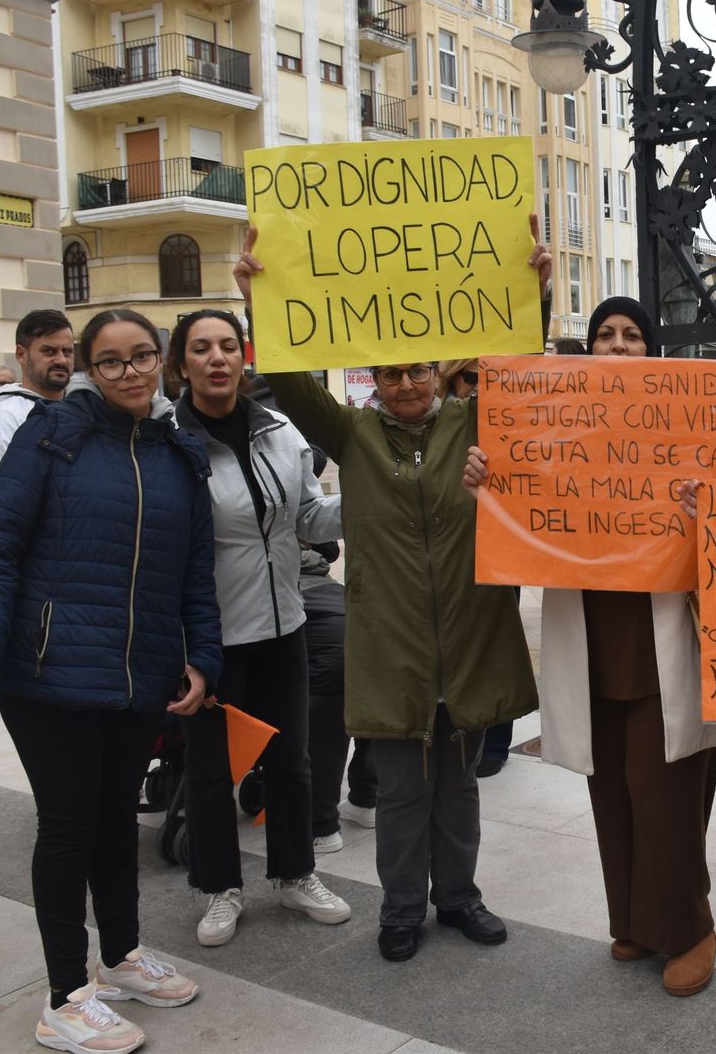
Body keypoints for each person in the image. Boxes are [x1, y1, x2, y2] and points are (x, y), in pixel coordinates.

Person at [234, 219, 547, 964]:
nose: (405, 384)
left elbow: (527, 374)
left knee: (460, 786)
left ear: (440, 371)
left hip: (468, 641)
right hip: (392, 648)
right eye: (390, 374)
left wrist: (531, 291)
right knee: (402, 791)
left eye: (417, 371)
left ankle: (460, 898)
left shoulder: (477, 421)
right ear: (372, 381)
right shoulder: (352, 435)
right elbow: (287, 376)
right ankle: (403, 909)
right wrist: (260, 304)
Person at [0, 308, 222, 1054]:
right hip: (48, 670)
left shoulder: (180, 456)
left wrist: (201, 657)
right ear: (90, 371)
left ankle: (122, 956)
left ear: (162, 362)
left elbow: (197, 575)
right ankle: (65, 998)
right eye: (110, 361)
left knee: (114, 823)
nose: (128, 372)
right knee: (68, 829)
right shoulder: (53, 437)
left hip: (139, 674)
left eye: (140, 357)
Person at [464, 295, 716, 998]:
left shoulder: (693, 422)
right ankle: (632, 917)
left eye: (632, 335)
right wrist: (488, 482)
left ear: (651, 353)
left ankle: (689, 926)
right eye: (605, 334)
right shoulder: (556, 427)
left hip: (667, 639)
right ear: (588, 349)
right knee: (613, 788)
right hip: (591, 631)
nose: (618, 345)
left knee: (666, 788)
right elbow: (520, 491)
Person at [164, 308, 350, 946]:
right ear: (181, 363)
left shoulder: (279, 429)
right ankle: (220, 889)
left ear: (243, 357)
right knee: (214, 770)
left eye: (227, 346)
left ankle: (296, 875)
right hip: (211, 637)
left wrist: (374, 498)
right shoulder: (168, 438)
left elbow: (309, 518)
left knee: (292, 761)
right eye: (201, 349)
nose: (217, 359)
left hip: (284, 622)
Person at [435, 360, 518, 779]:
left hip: (501, 543)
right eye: (472, 379)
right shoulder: (436, 421)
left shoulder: (507, 414)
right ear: (452, 378)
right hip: (451, 552)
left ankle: (495, 742)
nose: (482, 388)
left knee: (497, 638)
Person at [302, 537, 378, 851]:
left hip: (292, 600)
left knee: (325, 715)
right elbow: (330, 549)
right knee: (364, 690)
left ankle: (322, 827)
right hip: (340, 601)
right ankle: (366, 799)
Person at [0, 309, 75, 491]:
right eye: (49, 351)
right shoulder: (4, 419)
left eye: (67, 352)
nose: (61, 360)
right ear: (21, 354)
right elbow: (4, 500)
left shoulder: (80, 410)